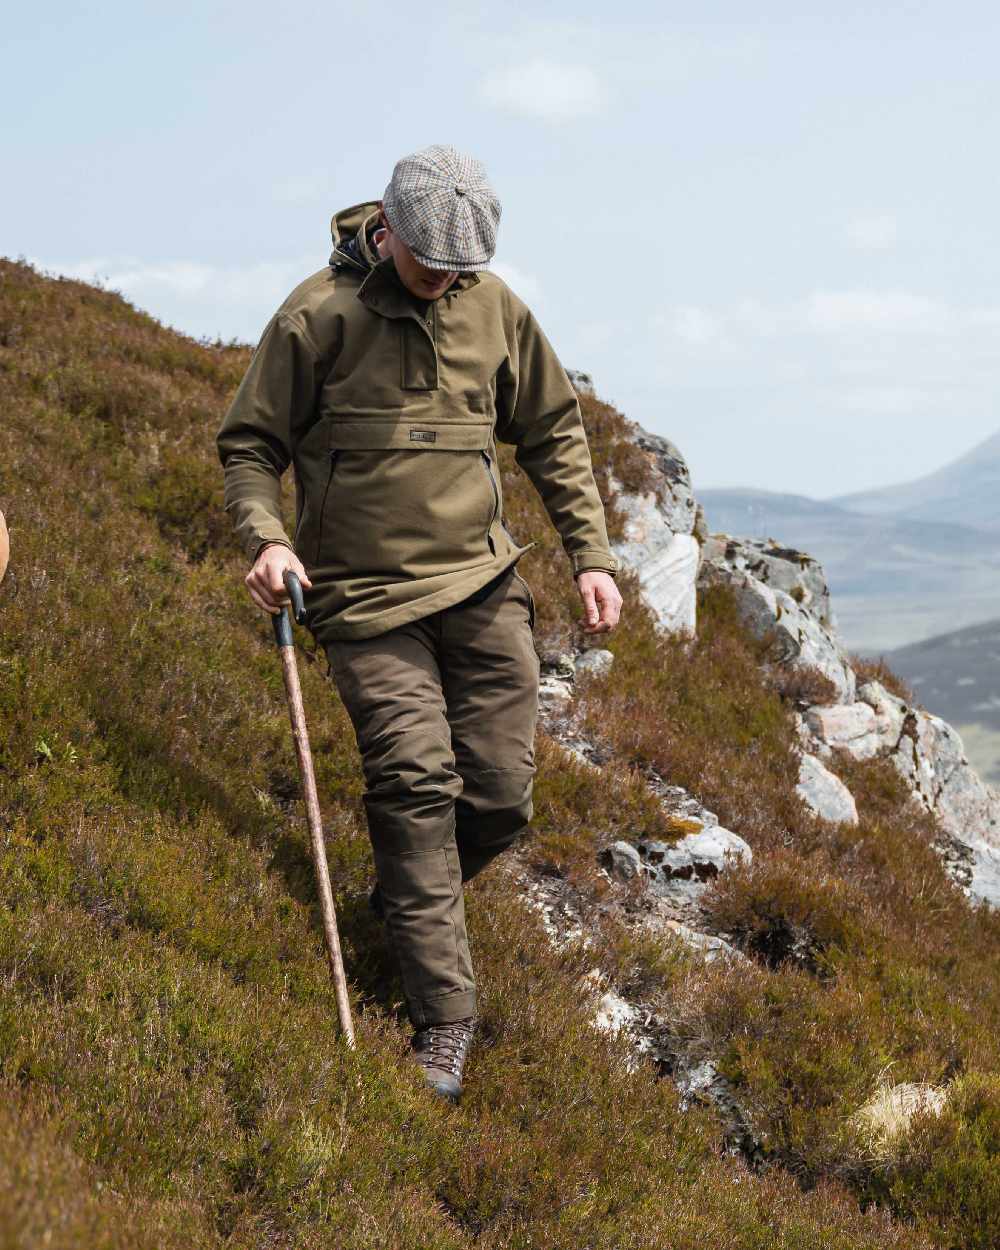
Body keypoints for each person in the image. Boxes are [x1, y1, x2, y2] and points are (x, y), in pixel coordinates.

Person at [216, 144, 622, 1103]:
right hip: (364, 602)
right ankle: (445, 1019)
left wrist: (592, 554)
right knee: (413, 783)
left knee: (501, 798)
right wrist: (268, 540)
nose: (445, 280)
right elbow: (250, 446)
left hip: (483, 585)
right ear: (387, 229)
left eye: (461, 267)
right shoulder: (316, 315)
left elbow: (553, 431)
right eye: (431, 262)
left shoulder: (495, 307)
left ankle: (403, 899)